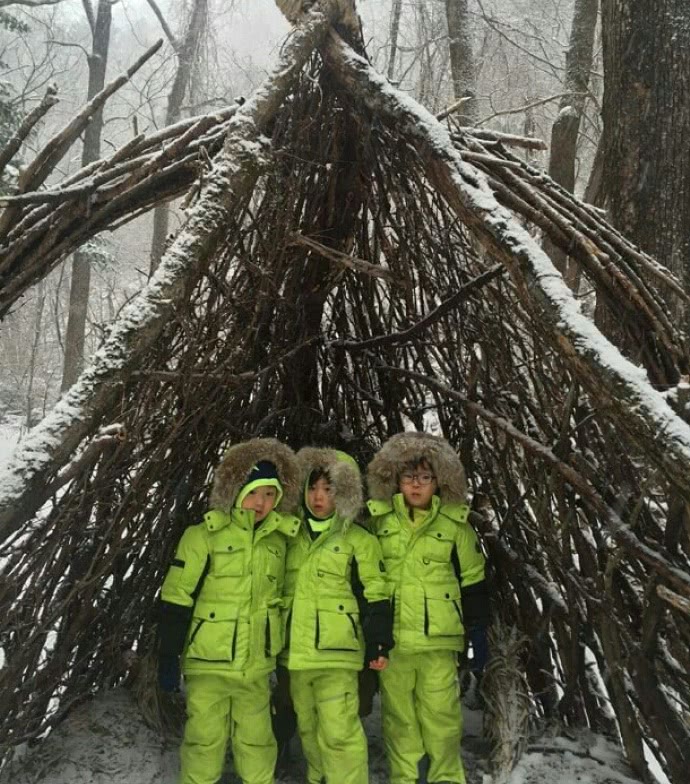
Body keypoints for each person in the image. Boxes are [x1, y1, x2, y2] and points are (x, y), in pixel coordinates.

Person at [156, 437, 301, 784]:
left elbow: (285, 601)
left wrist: (281, 657)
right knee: (205, 740)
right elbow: (177, 599)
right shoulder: (203, 536)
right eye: (253, 492)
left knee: (257, 741)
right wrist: (168, 657)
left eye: (269, 494)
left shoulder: (280, 541)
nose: (260, 502)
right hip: (208, 664)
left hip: (255, 667)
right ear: (235, 491)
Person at [366, 431, 490, 784]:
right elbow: (368, 581)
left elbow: (473, 580)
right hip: (395, 644)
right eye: (408, 477)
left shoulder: (455, 527)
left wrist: (478, 631)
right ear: (395, 481)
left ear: (439, 481)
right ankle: (403, 778)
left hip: (438, 642)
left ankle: (446, 778)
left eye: (424, 477)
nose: (416, 485)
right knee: (399, 719)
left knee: (442, 718)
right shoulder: (380, 524)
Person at [280, 447, 394, 784]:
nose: (318, 497)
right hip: (296, 658)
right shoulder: (288, 536)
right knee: (308, 729)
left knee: (339, 732)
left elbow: (376, 593)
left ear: (343, 492)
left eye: (328, 490)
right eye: (312, 488)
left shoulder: (358, 540)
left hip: (338, 656)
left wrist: (378, 643)